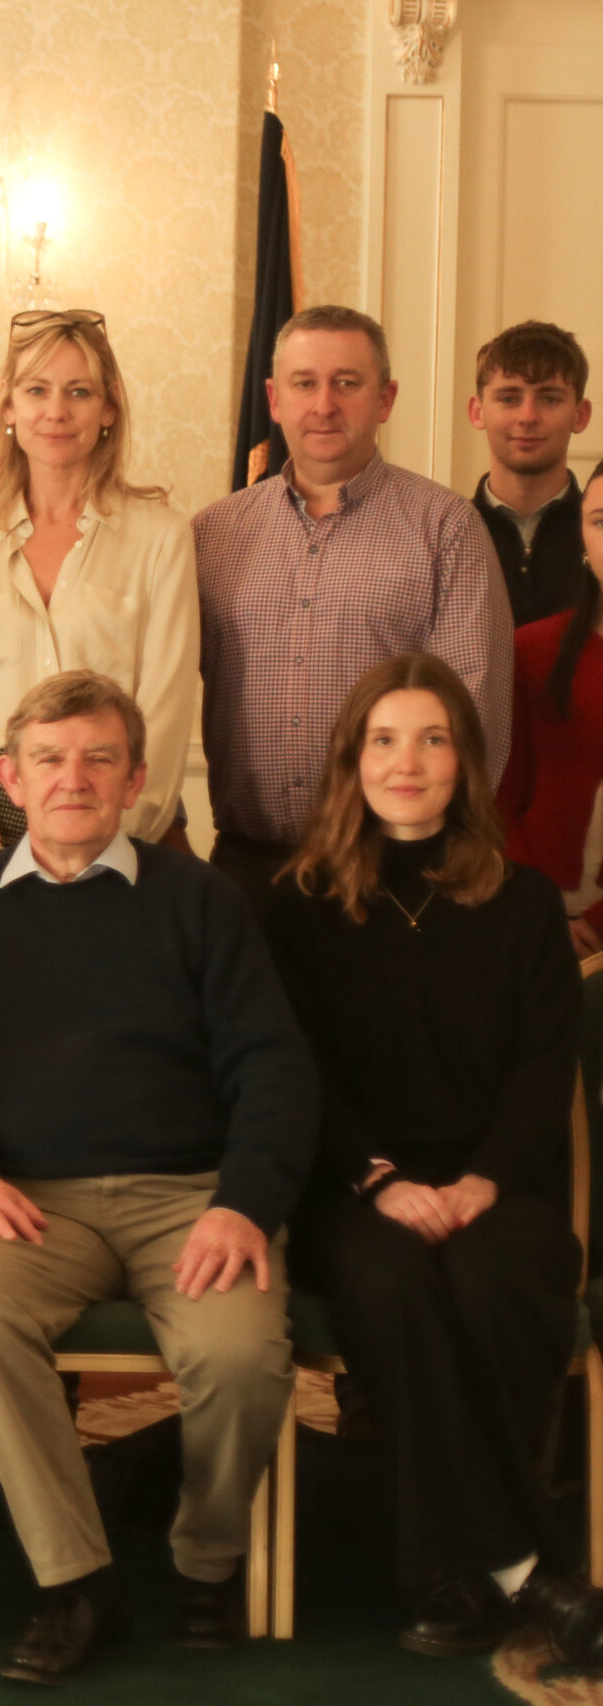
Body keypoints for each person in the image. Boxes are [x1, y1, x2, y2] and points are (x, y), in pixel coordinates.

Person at [0, 670, 318, 1685]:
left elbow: (272, 1066)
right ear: (9, 776)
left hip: (192, 1196)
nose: (71, 778)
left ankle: (207, 1557)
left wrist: (242, 1203)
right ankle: (76, 1580)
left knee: (240, 1354)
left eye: (97, 757)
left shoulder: (202, 898)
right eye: (47, 758)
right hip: (29, 1199)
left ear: (138, 776)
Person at [267, 651, 603, 1666]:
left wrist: (478, 1180)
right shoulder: (297, 903)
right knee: (396, 1283)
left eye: (431, 737)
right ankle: (512, 1566)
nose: (404, 760)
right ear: (350, 759)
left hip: (500, 1182)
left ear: (465, 759)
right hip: (353, 1188)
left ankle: (456, 1571)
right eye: (382, 738)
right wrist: (381, 1177)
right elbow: (294, 1071)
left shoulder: (523, 903)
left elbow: (546, 1069)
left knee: (496, 1278)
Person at [196, 304, 513, 909]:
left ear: (385, 398)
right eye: (304, 383)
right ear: (274, 397)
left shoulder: (445, 528)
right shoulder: (212, 534)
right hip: (245, 873)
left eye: (347, 383)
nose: (324, 404)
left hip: (393, 871)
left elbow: (474, 714)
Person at [0, 309, 198, 858]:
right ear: (9, 404)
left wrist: (116, 847)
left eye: (78, 392)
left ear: (109, 408)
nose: (55, 411)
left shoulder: (162, 539)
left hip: (121, 818)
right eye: (37, 390)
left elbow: (164, 717)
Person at [500, 467, 603, 950]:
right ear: (583, 536)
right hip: (537, 920)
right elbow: (501, 795)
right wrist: (532, 910)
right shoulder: (532, 649)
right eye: (601, 521)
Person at [467, 320, 590, 626]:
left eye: (550, 399)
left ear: (580, 415)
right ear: (477, 412)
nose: (528, 417)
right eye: (509, 398)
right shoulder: (446, 533)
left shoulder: (599, 531)